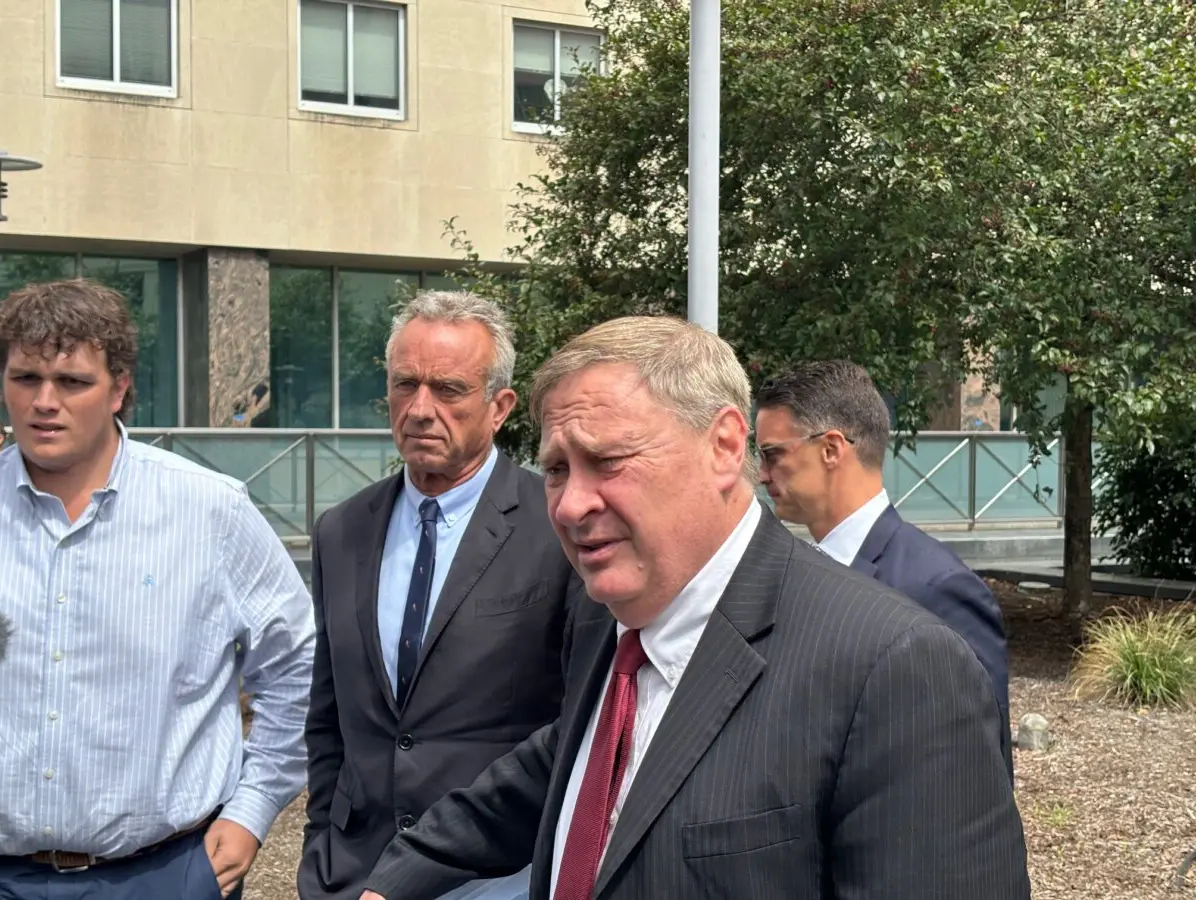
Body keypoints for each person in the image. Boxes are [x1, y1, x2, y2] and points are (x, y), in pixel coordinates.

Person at [359, 316, 1030, 900]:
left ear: (724, 446)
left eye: (608, 460)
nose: (568, 505)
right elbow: (556, 767)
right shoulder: (613, 619)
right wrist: (400, 876)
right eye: (558, 468)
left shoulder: (898, 668)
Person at [0, 279, 314, 899]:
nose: (44, 402)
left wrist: (253, 809)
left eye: (72, 382)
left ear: (118, 388)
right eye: (25, 378)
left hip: (162, 873)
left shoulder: (208, 510)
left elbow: (298, 666)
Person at [299, 291, 583, 900]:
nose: (421, 409)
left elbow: (576, 721)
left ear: (500, 406)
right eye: (406, 385)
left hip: (496, 877)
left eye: (449, 390)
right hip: (354, 874)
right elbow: (330, 719)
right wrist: (321, 849)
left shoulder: (560, 526)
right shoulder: (342, 529)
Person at [754, 360, 1010, 743]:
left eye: (772, 454)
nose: (761, 473)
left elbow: (977, 769)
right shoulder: (792, 574)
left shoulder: (937, 587)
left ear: (831, 449)